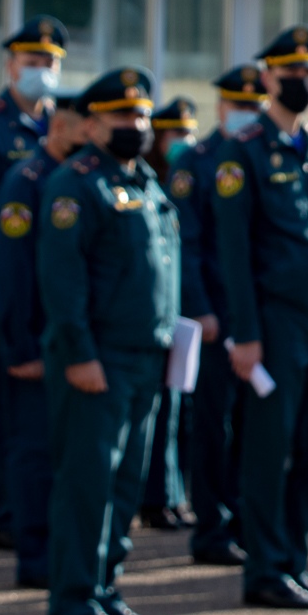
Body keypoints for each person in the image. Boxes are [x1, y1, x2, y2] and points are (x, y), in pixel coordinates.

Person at [213, 26, 308, 610]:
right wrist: (245, 333)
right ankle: (267, 569)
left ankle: (294, 558)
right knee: (270, 452)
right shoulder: (241, 150)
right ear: (268, 78)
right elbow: (233, 253)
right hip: (272, 324)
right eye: (290, 73)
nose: (301, 82)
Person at [36, 68, 177, 615]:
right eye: (122, 116)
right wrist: (79, 353)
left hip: (145, 355)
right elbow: (63, 280)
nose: (135, 126)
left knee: (124, 485)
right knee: (87, 483)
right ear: (92, 124)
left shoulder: (145, 180)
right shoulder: (76, 185)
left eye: (142, 115)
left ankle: (105, 588)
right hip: (99, 360)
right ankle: (72, 598)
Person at [0, 16, 66, 551]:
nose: (41, 72)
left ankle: (34, 504)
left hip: (48, 282)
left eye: (49, 63)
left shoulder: (61, 123)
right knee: (3, 396)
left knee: (41, 400)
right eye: (32, 62)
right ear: (10, 66)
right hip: (3, 280)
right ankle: (2, 510)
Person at [0, 94, 93, 592]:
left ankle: (60, 551)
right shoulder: (26, 182)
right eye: (78, 134)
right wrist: (20, 346)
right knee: (33, 452)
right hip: (36, 340)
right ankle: (33, 554)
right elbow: (13, 274)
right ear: (58, 129)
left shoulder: (78, 182)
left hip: (71, 342)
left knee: (65, 455)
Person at [175, 67, 262, 567]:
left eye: (254, 105)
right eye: (238, 105)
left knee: (253, 427)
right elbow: (186, 243)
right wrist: (201, 308)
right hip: (215, 319)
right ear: (222, 107)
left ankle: (246, 522)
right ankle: (211, 529)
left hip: (253, 314)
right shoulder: (195, 162)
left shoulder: (257, 158)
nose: (246, 114)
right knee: (213, 427)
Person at [138, 96, 196, 531]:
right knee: (156, 412)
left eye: (189, 133)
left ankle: (173, 493)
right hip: (150, 316)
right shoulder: (148, 182)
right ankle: (155, 498)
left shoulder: (185, 178)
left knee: (177, 408)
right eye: (174, 133)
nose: (183, 141)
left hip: (178, 310)